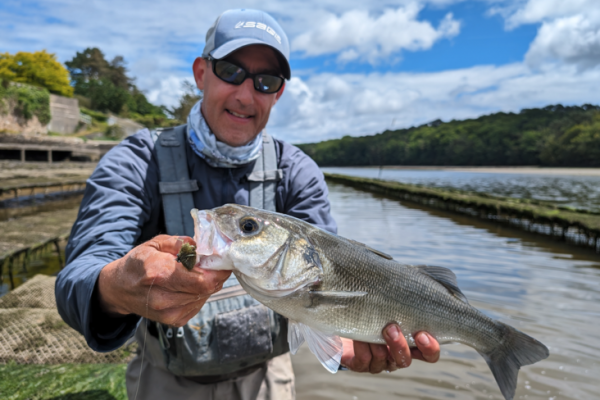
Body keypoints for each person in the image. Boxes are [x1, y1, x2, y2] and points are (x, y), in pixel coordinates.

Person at [55, 8, 440, 400]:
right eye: (230, 71)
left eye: (265, 80)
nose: (244, 94)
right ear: (201, 73)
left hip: (268, 380)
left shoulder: (298, 171)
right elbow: (77, 277)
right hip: (165, 381)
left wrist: (345, 341)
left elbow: (328, 278)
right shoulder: (137, 159)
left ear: (279, 92)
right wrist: (115, 285)